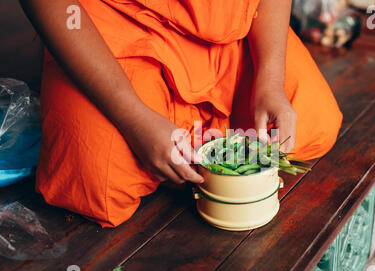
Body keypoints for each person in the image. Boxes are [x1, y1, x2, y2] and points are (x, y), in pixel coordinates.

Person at [20, 0, 343, 228]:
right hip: (113, 26)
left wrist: (270, 82)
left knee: (312, 130)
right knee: (97, 193)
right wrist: (134, 119)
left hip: (233, 23)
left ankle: (190, 140)